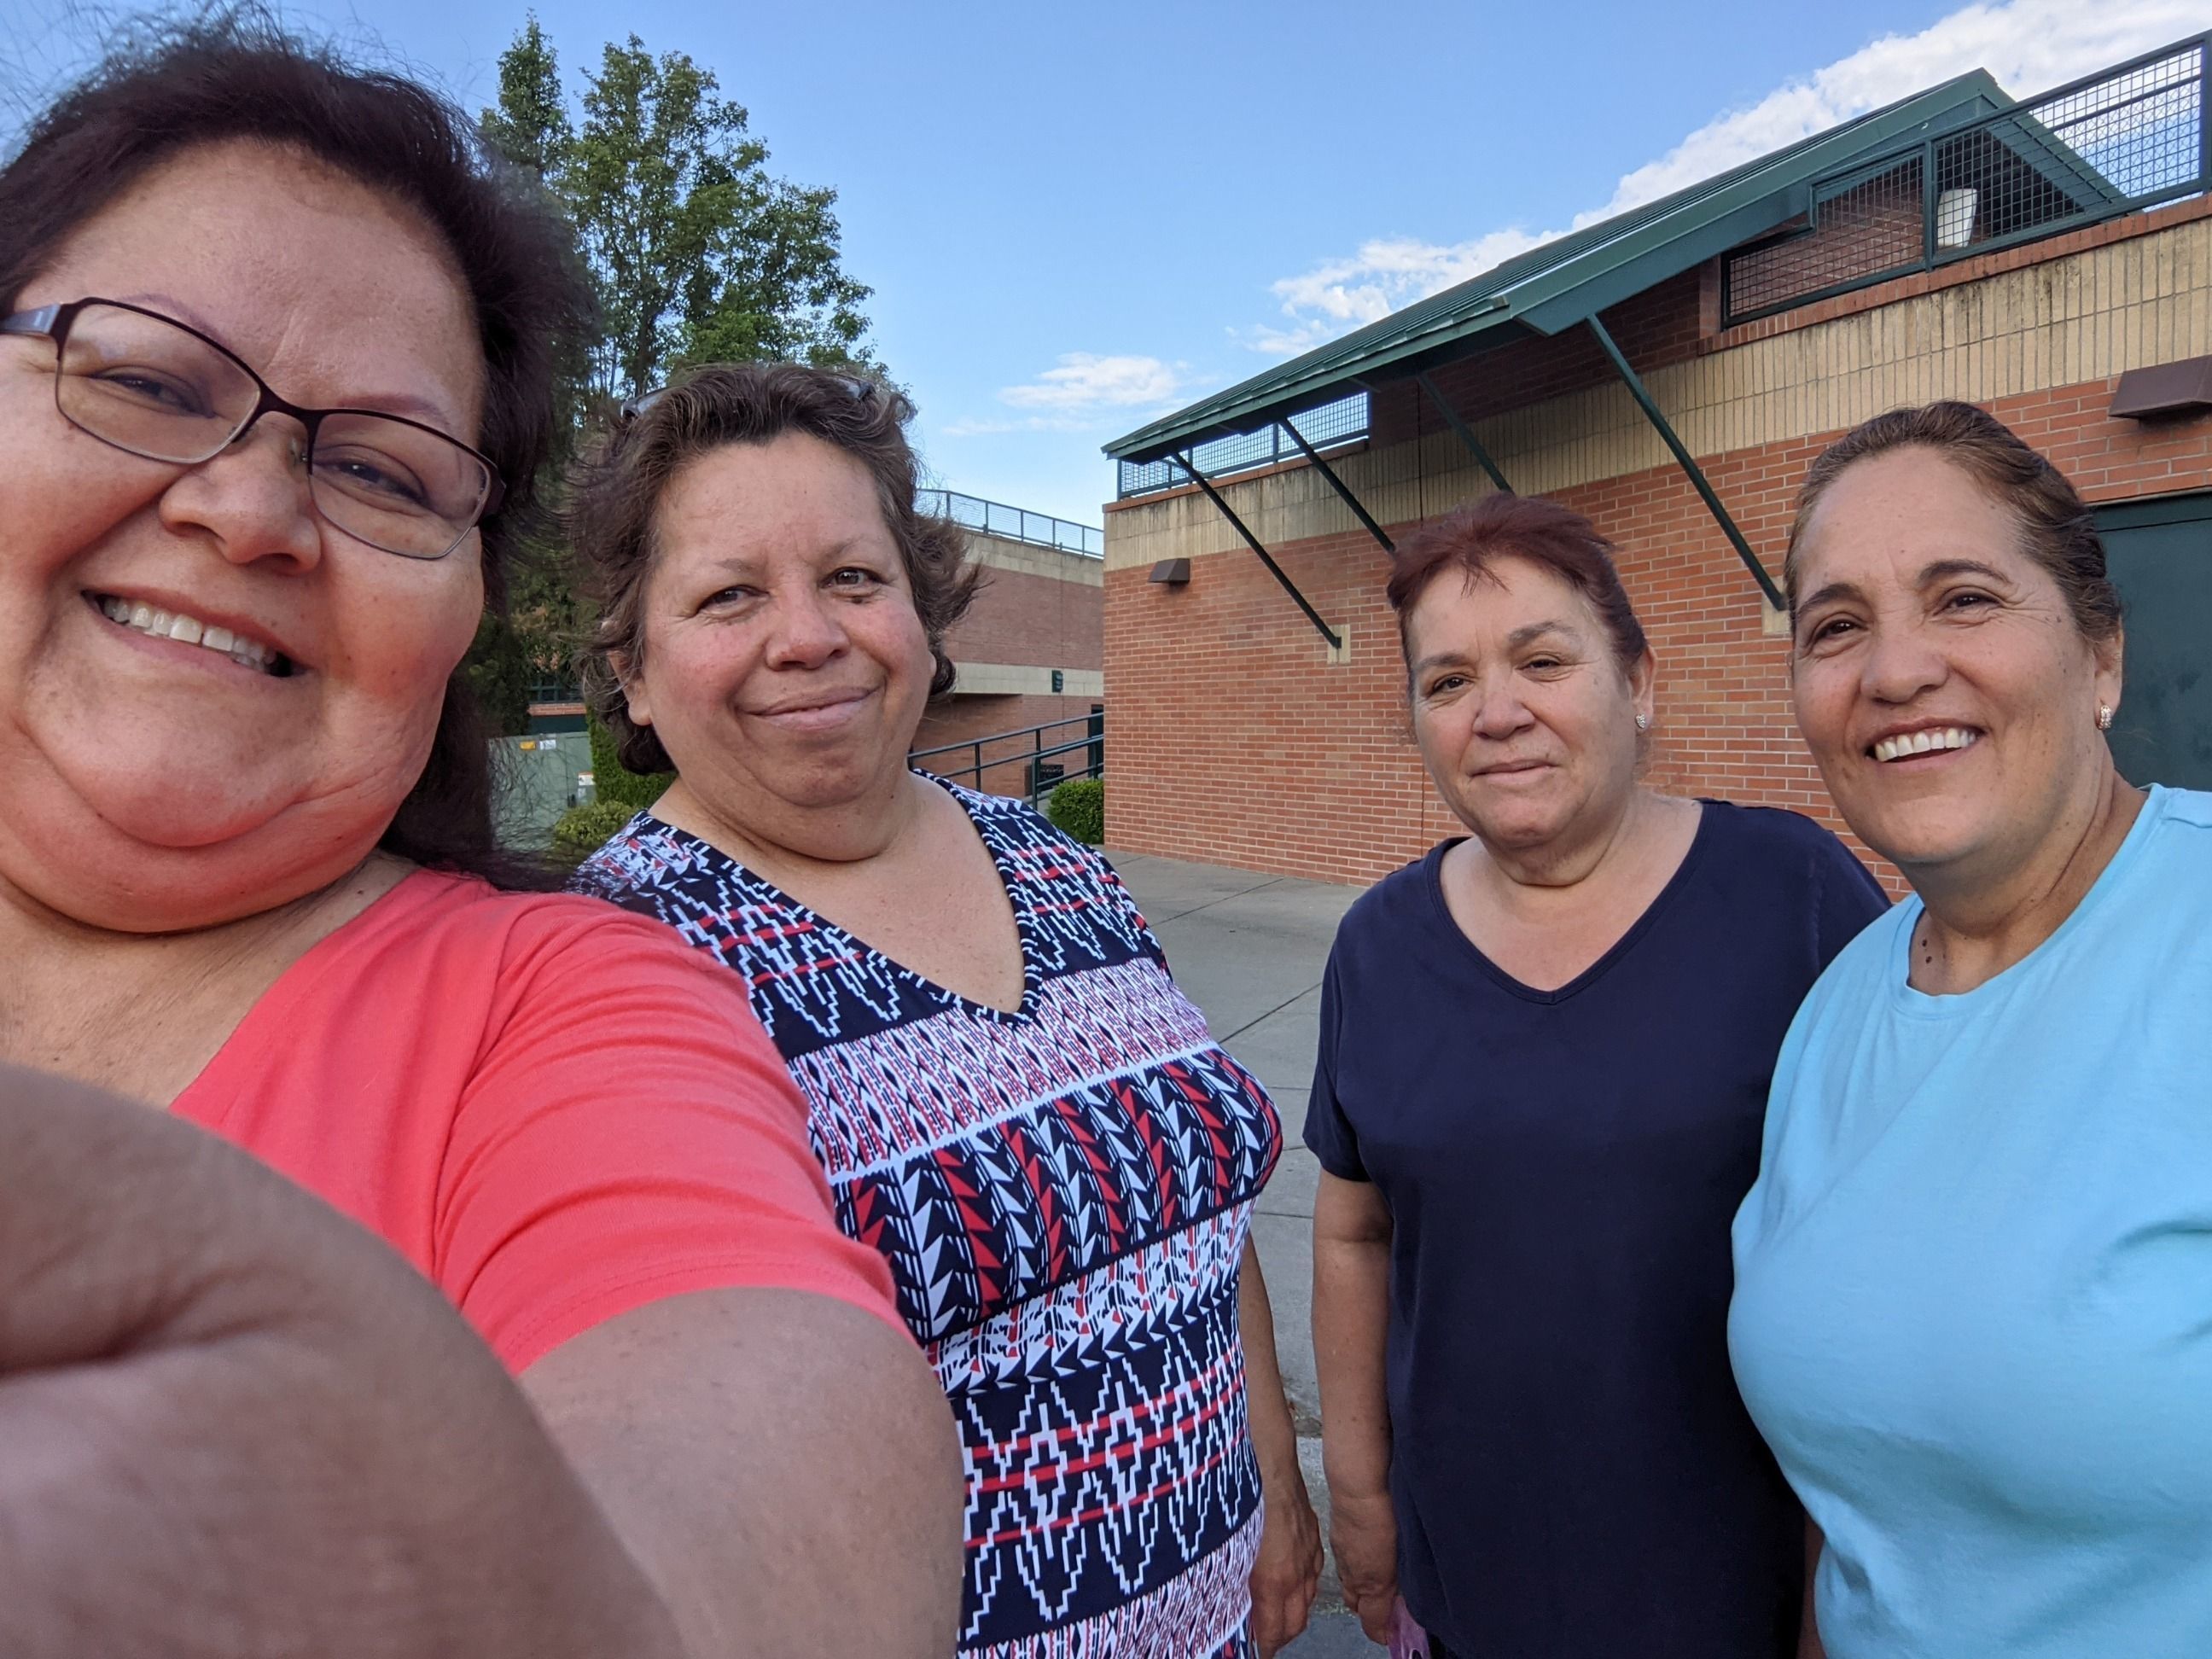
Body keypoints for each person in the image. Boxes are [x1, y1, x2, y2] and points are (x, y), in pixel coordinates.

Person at [0, 22, 961, 1654]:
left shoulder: (573, 1003)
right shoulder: (679, 910)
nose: (247, 511)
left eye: (381, 468)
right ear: (629, 675)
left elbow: (759, 1422)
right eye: (148, 380)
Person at [568, 362, 1325, 1658]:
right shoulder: (610, 968)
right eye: (729, 593)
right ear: (634, 672)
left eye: (854, 579)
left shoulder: (1057, 865)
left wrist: (1276, 1481)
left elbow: (1198, 1210)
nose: (807, 634)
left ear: (921, 616)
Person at [1307, 494, 1887, 1658]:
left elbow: (1895, 1245)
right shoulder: (1379, 945)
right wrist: (1363, 1503)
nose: (1499, 713)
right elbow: (1353, 1235)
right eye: (1448, 681)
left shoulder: (1795, 895)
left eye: (1543, 660)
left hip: (1745, 1585)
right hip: (1469, 1575)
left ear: (1639, 683)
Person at [1730, 401, 2212, 1656]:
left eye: (1964, 599)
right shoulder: (1840, 1006)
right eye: (1838, 626)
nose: (1896, 672)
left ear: (2100, 657)